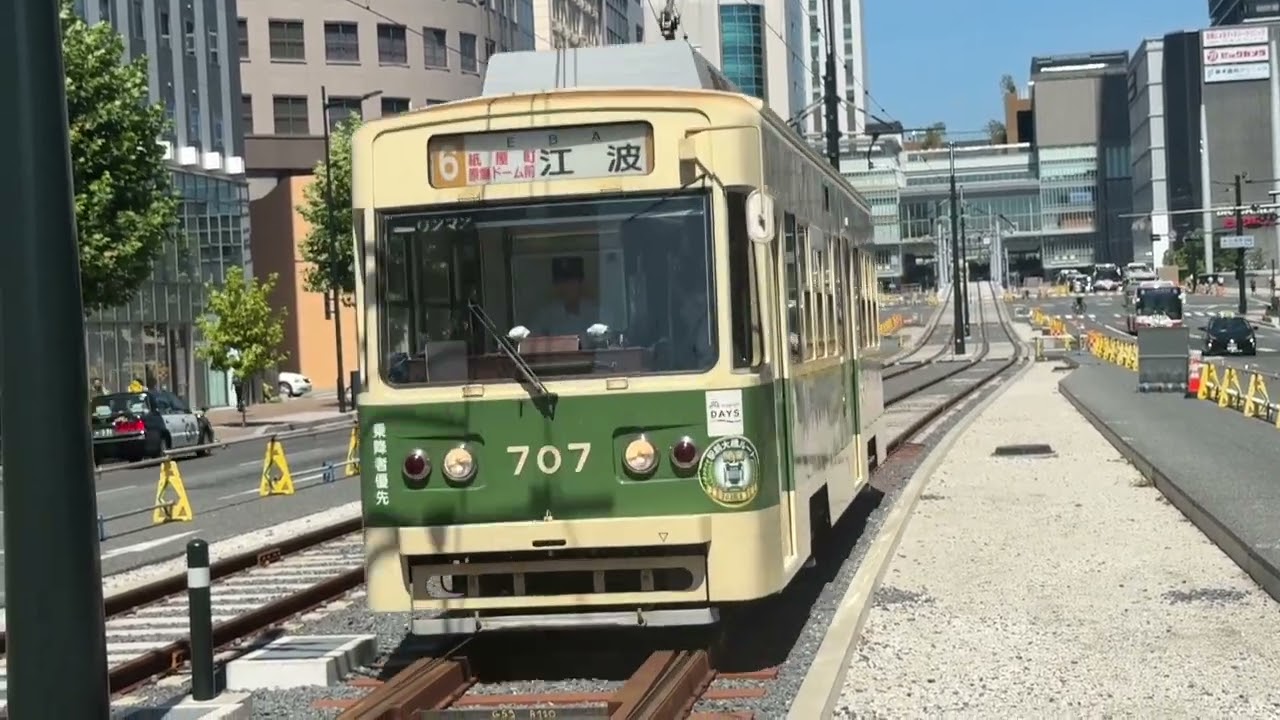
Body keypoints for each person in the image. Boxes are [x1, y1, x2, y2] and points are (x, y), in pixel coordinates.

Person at [528, 256, 600, 337]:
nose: (566, 287)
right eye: (562, 282)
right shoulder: (546, 315)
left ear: (580, 282)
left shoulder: (595, 312)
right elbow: (532, 341)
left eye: (571, 281)